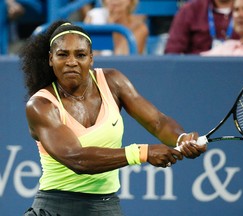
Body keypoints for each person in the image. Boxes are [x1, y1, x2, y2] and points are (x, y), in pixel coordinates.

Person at [19, 20, 206, 216]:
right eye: (63, 54)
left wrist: (182, 138)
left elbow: (158, 122)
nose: (71, 62)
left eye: (80, 55)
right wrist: (141, 153)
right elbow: (77, 159)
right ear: (50, 59)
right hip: (55, 208)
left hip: (106, 206)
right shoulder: (41, 105)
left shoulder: (113, 81)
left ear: (91, 58)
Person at [164, 0, 243, 55]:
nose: (241, 14)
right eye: (237, 10)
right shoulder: (190, 10)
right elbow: (172, 53)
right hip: (197, 74)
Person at [84, 0, 148, 55]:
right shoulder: (94, 17)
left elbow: (124, 62)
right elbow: (88, 58)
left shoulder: (139, 28)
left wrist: (112, 29)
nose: (115, 1)